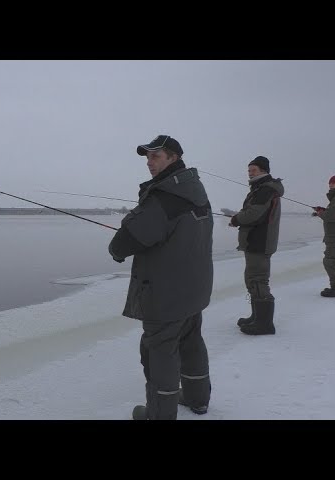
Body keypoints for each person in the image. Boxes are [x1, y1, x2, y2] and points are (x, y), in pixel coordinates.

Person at [107, 134, 214, 421]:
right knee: (191, 342)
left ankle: (159, 414)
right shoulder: (195, 190)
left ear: (173, 158)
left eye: (156, 156)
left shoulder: (165, 197)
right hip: (193, 288)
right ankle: (197, 398)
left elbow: (125, 240)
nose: (149, 162)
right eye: (147, 157)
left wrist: (117, 249)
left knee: (159, 353)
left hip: (167, 294)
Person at [229, 156, 284, 335]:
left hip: (260, 241)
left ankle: (264, 324)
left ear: (263, 170)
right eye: (249, 169)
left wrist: (236, 219)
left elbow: (253, 214)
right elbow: (254, 213)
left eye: (253, 169)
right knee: (253, 279)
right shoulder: (262, 188)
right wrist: (238, 219)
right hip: (257, 240)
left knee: (258, 280)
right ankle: (257, 317)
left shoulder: (265, 189)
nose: (249, 172)